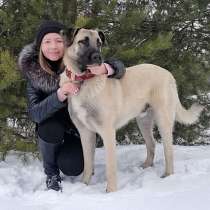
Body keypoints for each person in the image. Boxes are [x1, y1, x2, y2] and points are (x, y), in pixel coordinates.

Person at [18, 20, 126, 192]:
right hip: (52, 127)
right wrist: (60, 94)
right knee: (48, 129)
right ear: (40, 46)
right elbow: (35, 113)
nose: (53, 46)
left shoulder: (77, 60)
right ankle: (51, 172)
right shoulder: (34, 71)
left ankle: (69, 154)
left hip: (77, 129)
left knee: (72, 167)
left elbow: (119, 66)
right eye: (47, 42)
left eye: (58, 41)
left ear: (67, 43)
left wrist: (107, 68)